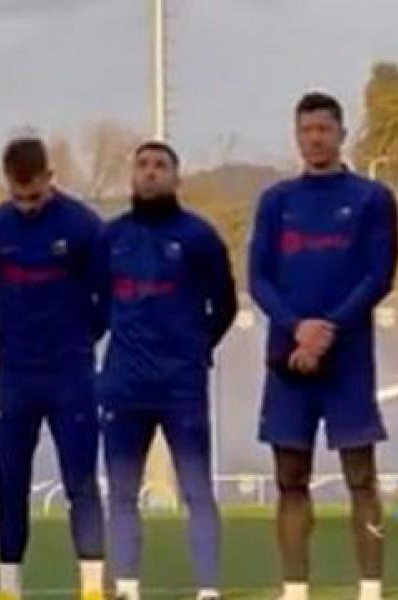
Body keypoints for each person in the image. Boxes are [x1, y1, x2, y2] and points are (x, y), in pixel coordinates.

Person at [249, 92, 398, 600]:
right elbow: (259, 279)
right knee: (291, 477)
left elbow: (378, 274)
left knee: (360, 476)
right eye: (306, 130)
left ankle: (371, 588)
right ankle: (295, 589)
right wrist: (298, 329)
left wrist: (330, 327)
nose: (315, 138)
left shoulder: (371, 199)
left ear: (341, 133)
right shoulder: (276, 201)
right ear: (297, 136)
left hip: (348, 360)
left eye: (323, 129)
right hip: (289, 359)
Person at [0, 137, 107, 600]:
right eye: (18, 196)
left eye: (35, 194)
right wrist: (15, 335)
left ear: (50, 177)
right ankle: (9, 588)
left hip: (71, 373)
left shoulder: (84, 226)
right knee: (11, 483)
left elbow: (105, 298)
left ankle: (90, 587)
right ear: (7, 182)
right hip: (15, 375)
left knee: (80, 481)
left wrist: (78, 338)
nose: (27, 205)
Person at [99, 140, 236, 600]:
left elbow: (225, 304)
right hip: (123, 386)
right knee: (121, 493)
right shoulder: (110, 237)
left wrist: (195, 347)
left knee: (196, 490)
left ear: (177, 178)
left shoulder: (198, 237)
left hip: (181, 386)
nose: (150, 172)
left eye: (160, 166)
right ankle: (128, 587)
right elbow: (93, 303)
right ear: (132, 176)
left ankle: (208, 589)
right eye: (143, 165)